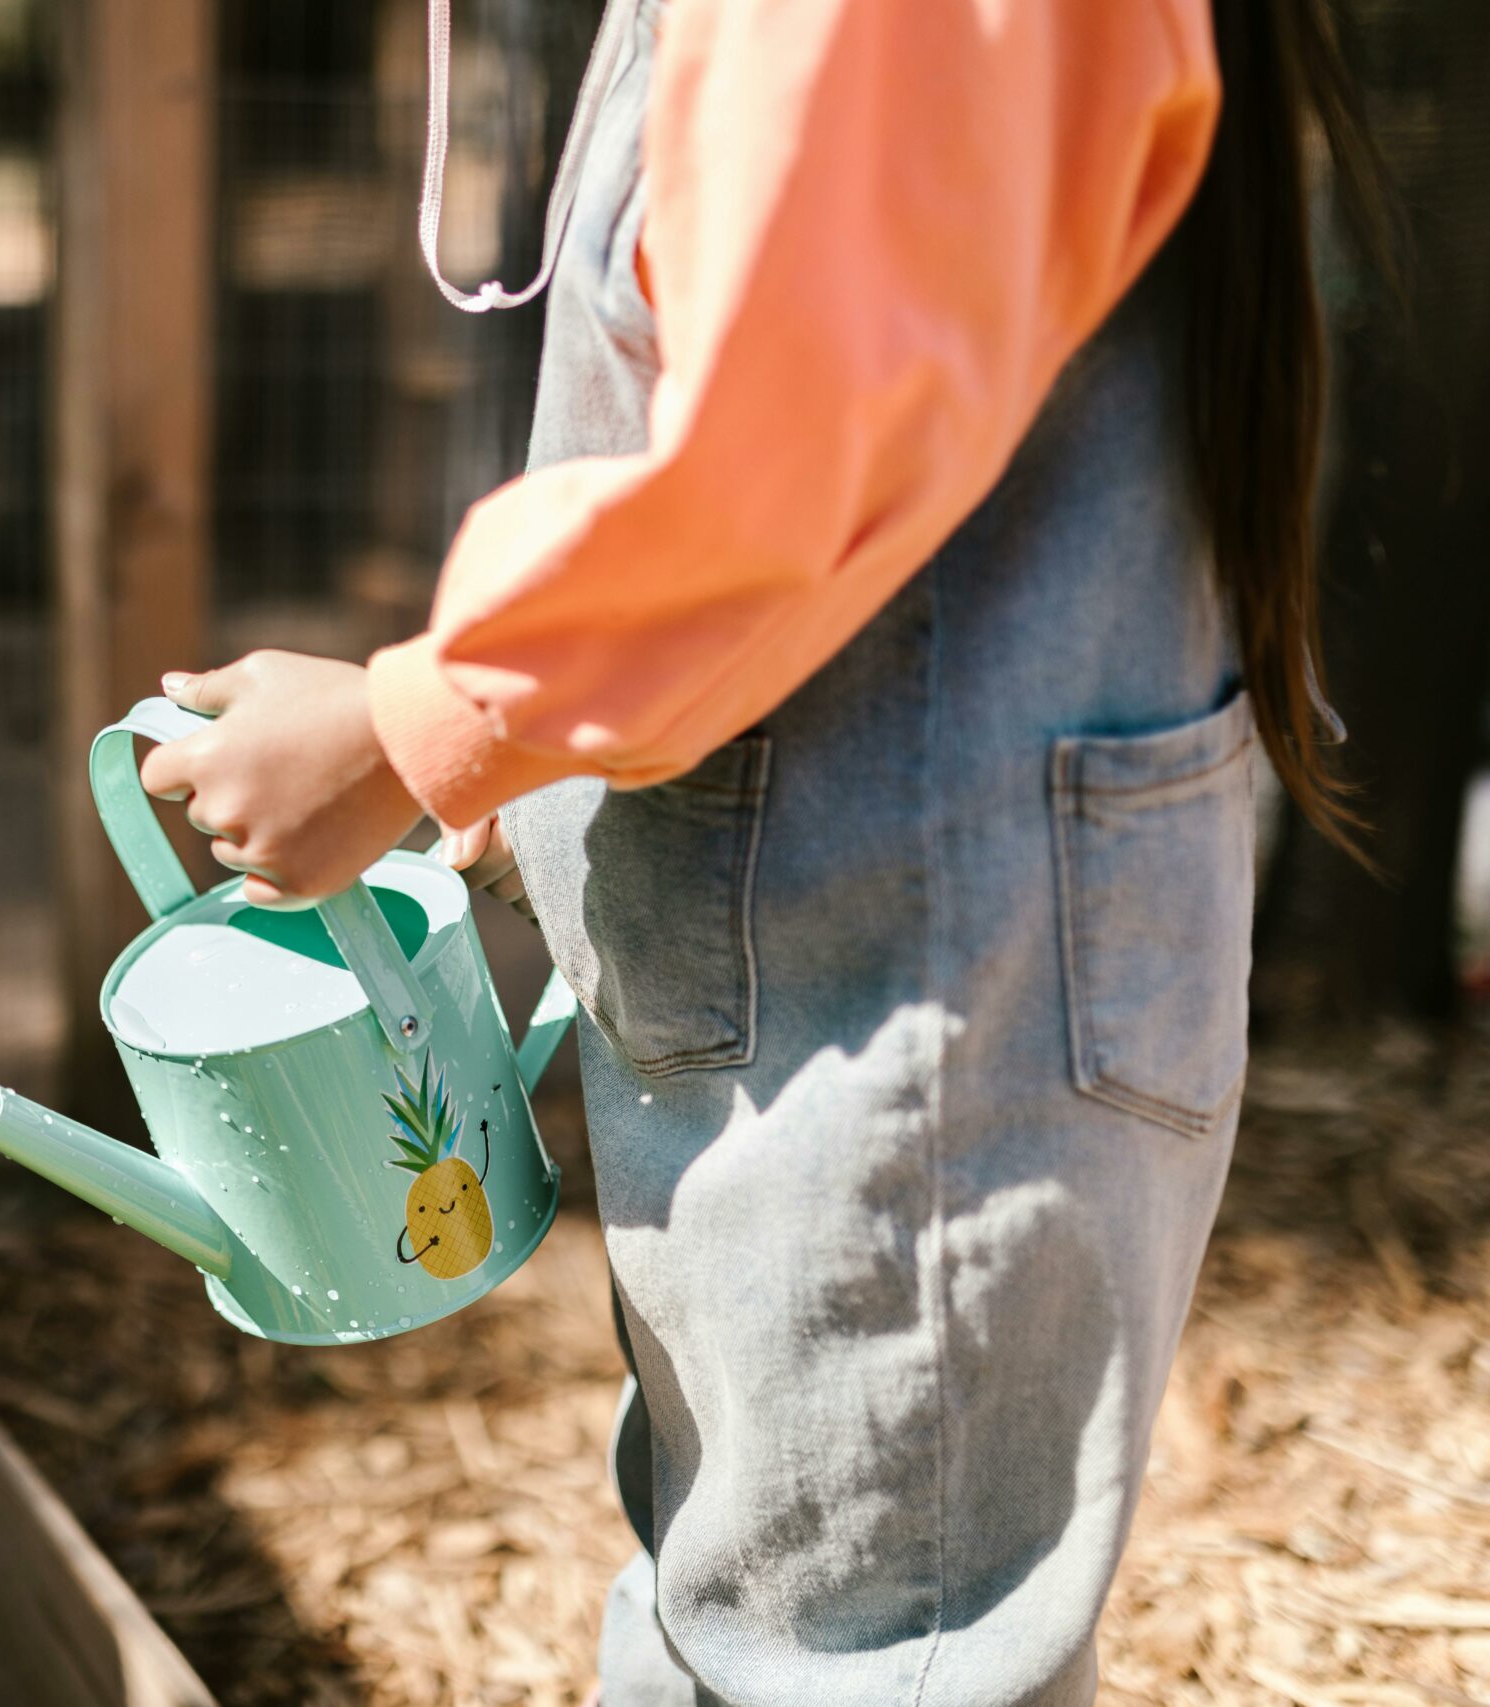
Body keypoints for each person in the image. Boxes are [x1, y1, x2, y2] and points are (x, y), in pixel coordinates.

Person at [136, 0, 1384, 1700]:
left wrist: (410, 730)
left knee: (866, 1650)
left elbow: (782, 460)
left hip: (917, 1003)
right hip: (845, 966)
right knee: (755, 1595)